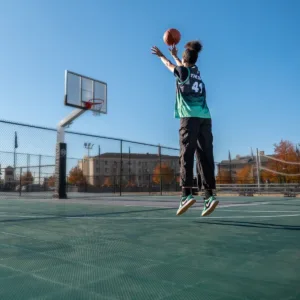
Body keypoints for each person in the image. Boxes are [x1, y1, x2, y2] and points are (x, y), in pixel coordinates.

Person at [151, 40, 219, 217]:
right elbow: (183, 65)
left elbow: (170, 65)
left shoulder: (182, 72)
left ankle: (186, 194)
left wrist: (162, 56)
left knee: (186, 154)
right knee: (205, 156)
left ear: (184, 58)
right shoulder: (196, 72)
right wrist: (175, 55)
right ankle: (209, 196)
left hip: (189, 118)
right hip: (205, 117)